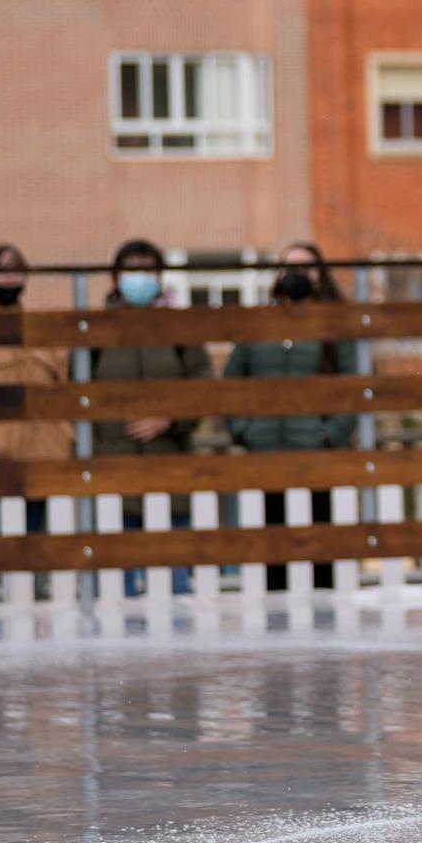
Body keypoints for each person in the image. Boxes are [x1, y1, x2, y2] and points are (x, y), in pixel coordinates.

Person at [221, 243, 357, 591]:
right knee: (273, 545)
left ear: (319, 274)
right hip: (267, 451)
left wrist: (329, 434)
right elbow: (231, 383)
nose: (296, 275)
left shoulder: (334, 326)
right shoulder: (258, 325)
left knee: (321, 541)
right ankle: (275, 618)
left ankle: (325, 613)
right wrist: (245, 431)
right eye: (289, 266)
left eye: (305, 267)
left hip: (316, 452)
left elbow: (352, 388)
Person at [92, 239, 215, 594]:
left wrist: (170, 419)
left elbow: (203, 387)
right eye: (132, 270)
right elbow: (76, 392)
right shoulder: (96, 330)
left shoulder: (179, 329)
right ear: (115, 279)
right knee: (119, 589)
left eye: (148, 269)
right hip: (114, 472)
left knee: (174, 587)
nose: (140, 277)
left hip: (169, 468)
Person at [0, 244, 73, 595]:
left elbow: (65, 386)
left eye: (17, 270)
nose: (10, 277)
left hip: (45, 449)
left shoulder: (43, 329)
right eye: (3, 270)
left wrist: (65, 434)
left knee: (36, 532)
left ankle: (36, 582)